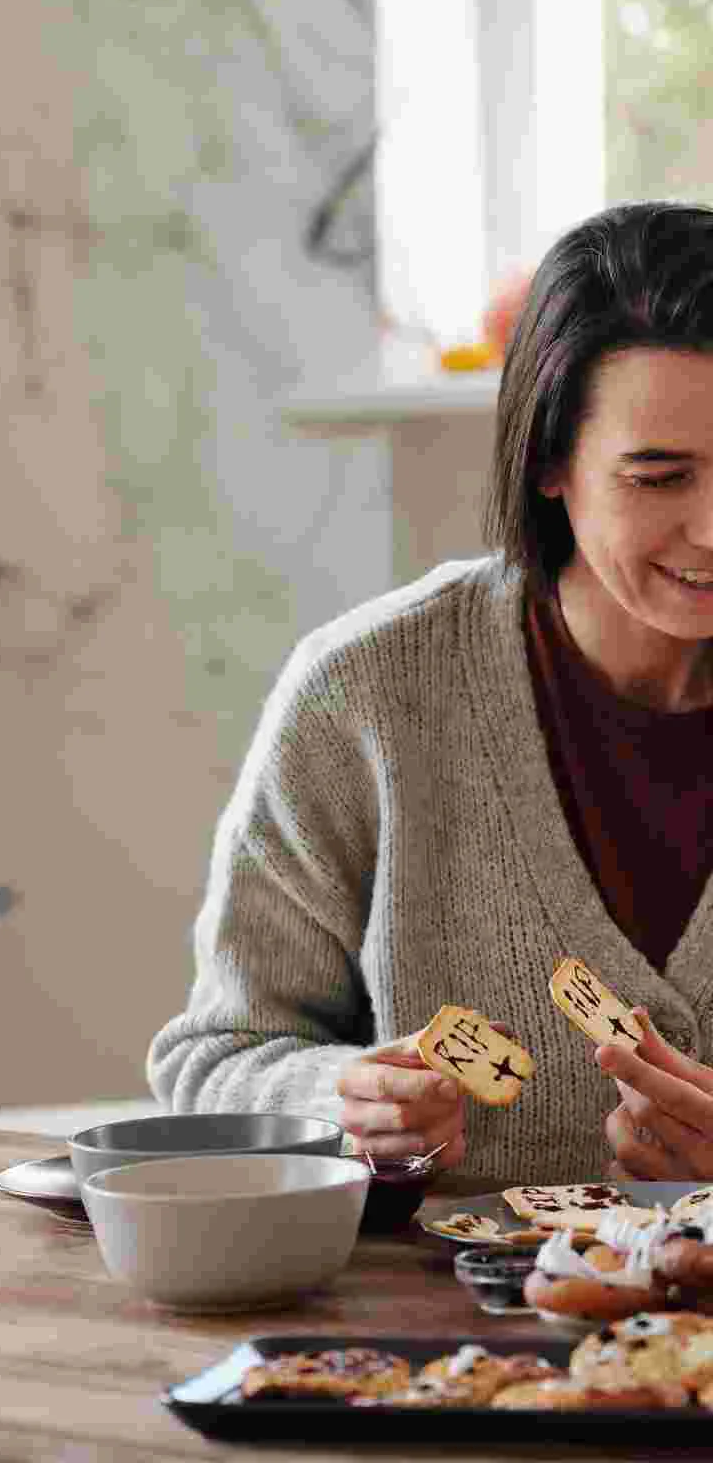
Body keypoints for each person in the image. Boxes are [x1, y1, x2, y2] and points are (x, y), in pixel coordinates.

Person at [148, 201, 713, 1187]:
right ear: (548, 460)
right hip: (433, 1332)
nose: (711, 528)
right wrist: (341, 1099)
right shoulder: (365, 694)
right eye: (658, 477)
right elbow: (214, 1058)